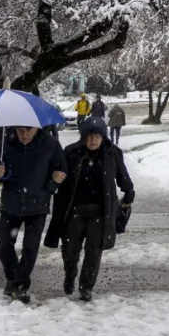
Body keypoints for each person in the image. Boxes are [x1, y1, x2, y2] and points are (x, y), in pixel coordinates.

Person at [45, 117, 135, 302]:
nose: (92, 140)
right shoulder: (71, 153)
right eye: (88, 136)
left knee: (94, 250)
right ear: (83, 137)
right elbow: (59, 174)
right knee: (70, 248)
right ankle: (70, 274)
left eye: (97, 136)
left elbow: (122, 176)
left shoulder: (112, 154)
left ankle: (86, 286)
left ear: (103, 137)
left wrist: (128, 192)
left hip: (100, 211)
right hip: (74, 209)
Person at [0, 126, 67, 303]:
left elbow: (62, 171)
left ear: (37, 128)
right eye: (20, 130)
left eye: (29, 131)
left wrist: (52, 184)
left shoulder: (50, 144)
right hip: (11, 204)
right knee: (3, 245)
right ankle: (13, 277)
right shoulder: (6, 143)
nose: (24, 135)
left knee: (30, 247)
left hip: (37, 205)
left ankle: (20, 285)